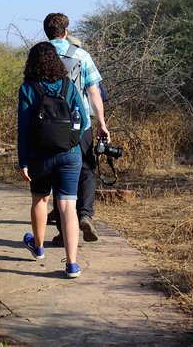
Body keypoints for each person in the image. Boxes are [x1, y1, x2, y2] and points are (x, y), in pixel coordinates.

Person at [18, 41, 88, 278]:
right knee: (68, 207)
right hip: (70, 154)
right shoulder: (68, 85)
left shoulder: (28, 88)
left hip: (40, 156)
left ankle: (38, 248)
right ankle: (72, 264)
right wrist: (72, 141)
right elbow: (84, 120)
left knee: (40, 199)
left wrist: (23, 160)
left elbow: (24, 128)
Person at [43, 13, 110, 246]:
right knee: (86, 170)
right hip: (80, 123)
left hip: (49, 126)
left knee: (57, 174)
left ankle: (63, 233)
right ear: (65, 31)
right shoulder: (81, 54)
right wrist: (101, 123)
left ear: (47, 32)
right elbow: (94, 92)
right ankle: (85, 214)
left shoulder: (40, 55)